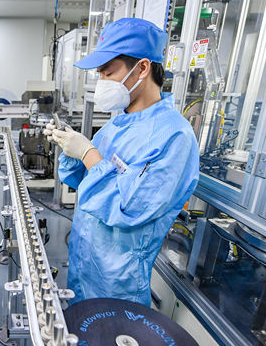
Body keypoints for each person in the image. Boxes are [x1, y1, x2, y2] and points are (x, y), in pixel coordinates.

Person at [45, 18, 199, 306]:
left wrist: (90, 154)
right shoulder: (118, 125)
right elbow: (84, 182)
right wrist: (70, 148)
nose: (101, 81)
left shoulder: (174, 136)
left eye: (107, 72)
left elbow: (129, 208)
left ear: (142, 68)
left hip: (117, 280)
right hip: (84, 264)